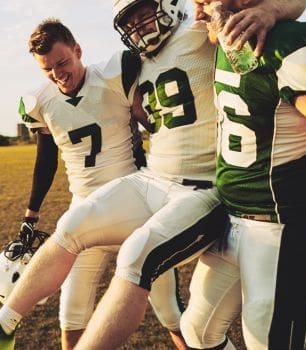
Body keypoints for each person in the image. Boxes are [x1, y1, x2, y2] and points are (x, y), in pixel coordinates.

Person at [0, 1, 306, 349]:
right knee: (70, 226)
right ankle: (4, 324)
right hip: (152, 179)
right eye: (129, 21)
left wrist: (271, 11)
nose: (139, 26)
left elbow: (295, 3)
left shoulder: (198, 27)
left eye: (144, 13)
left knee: (137, 259)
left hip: (201, 188)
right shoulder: (134, 60)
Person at [0, 18, 186, 350]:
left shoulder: (116, 74)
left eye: (62, 62)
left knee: (172, 314)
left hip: (136, 209)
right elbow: (46, 161)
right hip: (84, 212)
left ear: (78, 50)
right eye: (47, 69)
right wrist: (31, 214)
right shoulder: (40, 102)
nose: (58, 73)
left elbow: (156, 124)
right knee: (71, 316)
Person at [179, 0, 306, 349]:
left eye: (204, 3)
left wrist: (273, 11)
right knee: (197, 331)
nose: (197, 14)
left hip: (284, 227)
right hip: (230, 219)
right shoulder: (223, 44)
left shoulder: (290, 46)